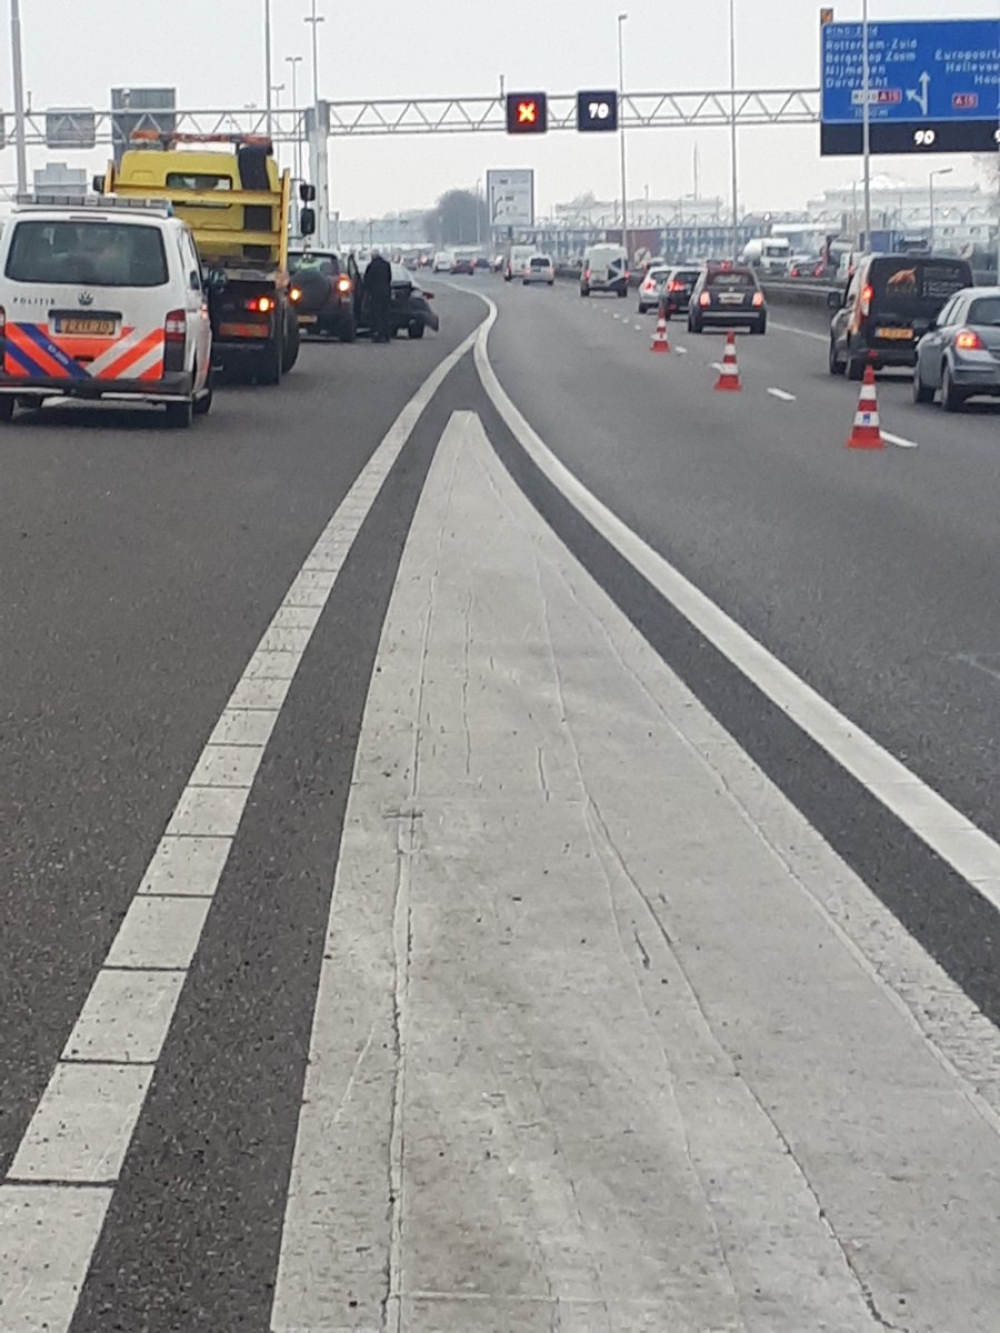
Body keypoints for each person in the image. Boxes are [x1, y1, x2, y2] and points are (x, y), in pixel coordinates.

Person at [363, 248, 393, 344]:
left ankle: (378, 335)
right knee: (386, 313)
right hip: (386, 293)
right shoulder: (386, 265)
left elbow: (367, 281)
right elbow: (389, 278)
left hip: (375, 294)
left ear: (372, 256)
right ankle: (386, 335)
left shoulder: (371, 266)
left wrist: (367, 292)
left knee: (376, 314)